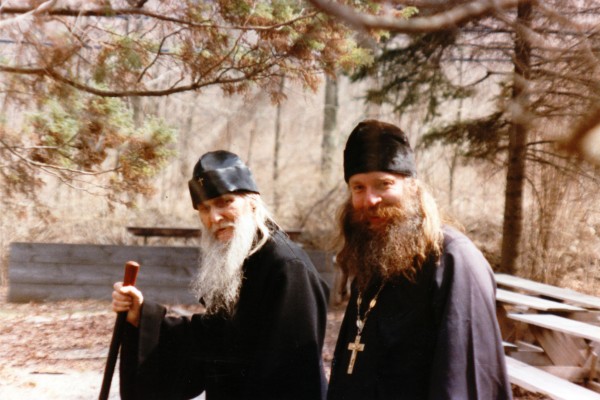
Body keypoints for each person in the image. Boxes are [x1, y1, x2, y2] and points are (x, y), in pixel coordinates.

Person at [112, 150, 330, 400]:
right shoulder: (242, 261)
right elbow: (214, 338)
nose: (214, 217)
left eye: (225, 202)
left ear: (253, 201)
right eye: (204, 208)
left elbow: (293, 374)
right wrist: (143, 316)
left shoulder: (286, 267)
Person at [327, 120, 512, 399]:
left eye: (383, 184)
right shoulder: (374, 255)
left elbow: (464, 378)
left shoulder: (452, 259)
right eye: (358, 187)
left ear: (412, 186)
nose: (370, 199)